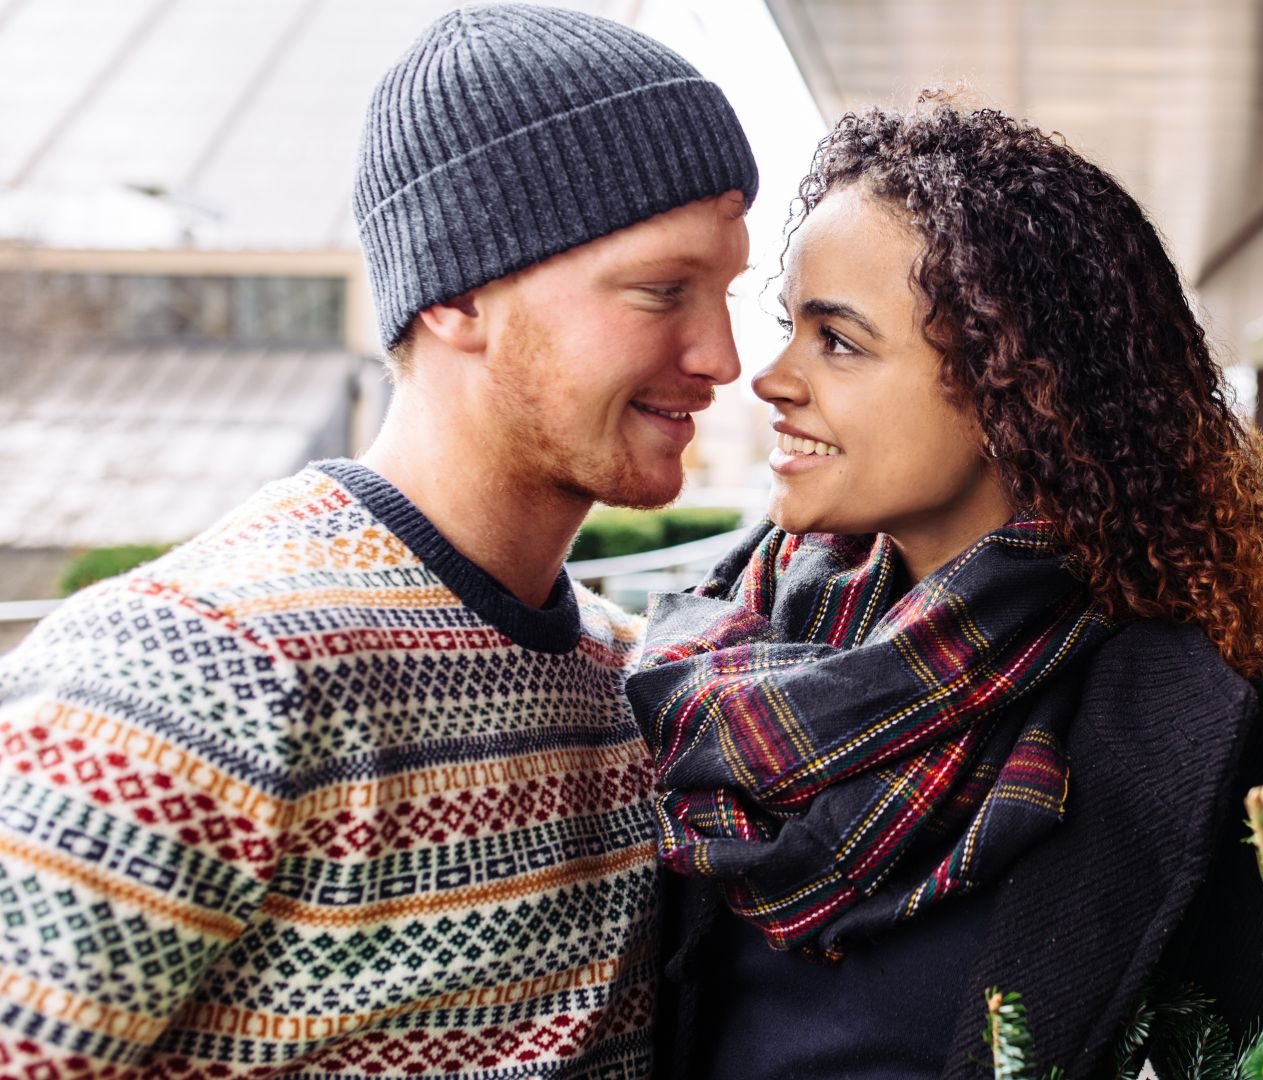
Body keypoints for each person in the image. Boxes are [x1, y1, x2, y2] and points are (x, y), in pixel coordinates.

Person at [0, 5, 754, 1075]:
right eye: (661, 291)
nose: (722, 356)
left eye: (726, 291)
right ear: (458, 295)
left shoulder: (626, 682)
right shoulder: (188, 675)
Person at [631, 98, 1263, 1079]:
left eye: (838, 340)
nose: (770, 378)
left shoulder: (1198, 734)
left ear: (1016, 384)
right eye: (792, 328)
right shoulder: (717, 652)